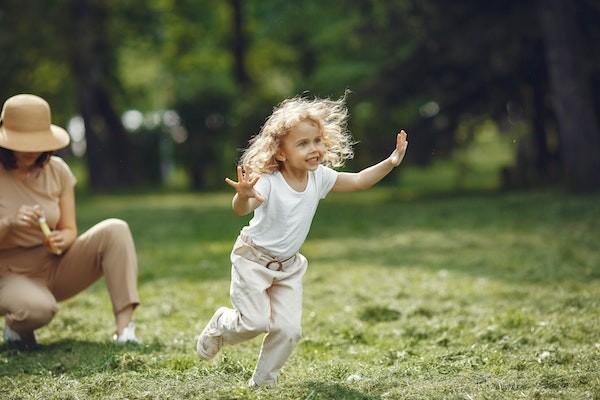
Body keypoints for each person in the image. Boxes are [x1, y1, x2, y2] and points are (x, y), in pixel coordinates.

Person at [195, 94, 409, 387]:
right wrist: (242, 195)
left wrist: (391, 161)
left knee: (289, 330)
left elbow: (358, 180)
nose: (314, 149)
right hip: (253, 261)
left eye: (317, 141)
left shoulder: (319, 177)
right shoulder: (270, 182)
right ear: (281, 152)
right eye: (303, 143)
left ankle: (262, 383)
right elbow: (242, 209)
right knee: (254, 323)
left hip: (288, 267)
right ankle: (221, 323)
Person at [0, 94, 140, 346]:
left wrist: (60, 239)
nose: (33, 150)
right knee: (40, 310)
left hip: (53, 266)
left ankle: (124, 330)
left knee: (116, 229)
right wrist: (9, 222)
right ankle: (18, 325)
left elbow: (69, 229)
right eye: (24, 143)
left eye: (38, 142)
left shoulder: (58, 170)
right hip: (7, 274)